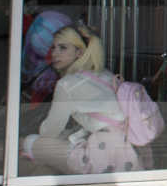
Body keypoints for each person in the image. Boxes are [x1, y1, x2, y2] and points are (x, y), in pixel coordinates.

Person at [20, 24, 151, 175]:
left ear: (79, 52)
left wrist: (33, 133)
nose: (55, 53)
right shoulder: (106, 75)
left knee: (29, 142)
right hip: (130, 154)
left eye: (62, 48)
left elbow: (50, 131)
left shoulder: (67, 84)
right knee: (53, 154)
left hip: (100, 160)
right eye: (53, 48)